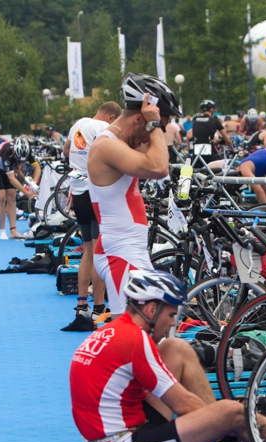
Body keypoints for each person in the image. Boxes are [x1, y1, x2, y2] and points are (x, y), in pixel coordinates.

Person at [70, 269, 266, 442]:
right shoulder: (136, 340)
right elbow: (184, 405)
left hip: (109, 441)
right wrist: (228, 424)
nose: (173, 323)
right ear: (150, 311)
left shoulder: (115, 330)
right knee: (231, 412)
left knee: (176, 349)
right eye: (170, 314)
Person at [87, 72, 182, 317]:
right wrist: (155, 124)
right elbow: (159, 168)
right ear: (140, 119)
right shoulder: (106, 146)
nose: (152, 135)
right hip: (120, 251)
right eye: (157, 124)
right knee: (130, 336)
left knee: (157, 325)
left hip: (131, 249)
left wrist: (153, 126)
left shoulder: (123, 141)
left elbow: (157, 154)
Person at [60, 101, 122, 332]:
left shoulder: (78, 123)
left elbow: (67, 150)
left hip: (78, 193)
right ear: (111, 117)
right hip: (94, 191)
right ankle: (98, 307)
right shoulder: (101, 129)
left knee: (87, 250)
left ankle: (81, 306)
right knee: (99, 251)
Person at [0, 137, 39, 239]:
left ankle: (13, 231)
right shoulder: (7, 152)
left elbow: (37, 168)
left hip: (11, 166)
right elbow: (11, 179)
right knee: (1, 197)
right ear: (14, 150)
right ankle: (2, 231)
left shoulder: (28, 152)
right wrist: (26, 192)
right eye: (18, 158)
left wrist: (33, 184)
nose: (20, 161)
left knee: (12, 197)